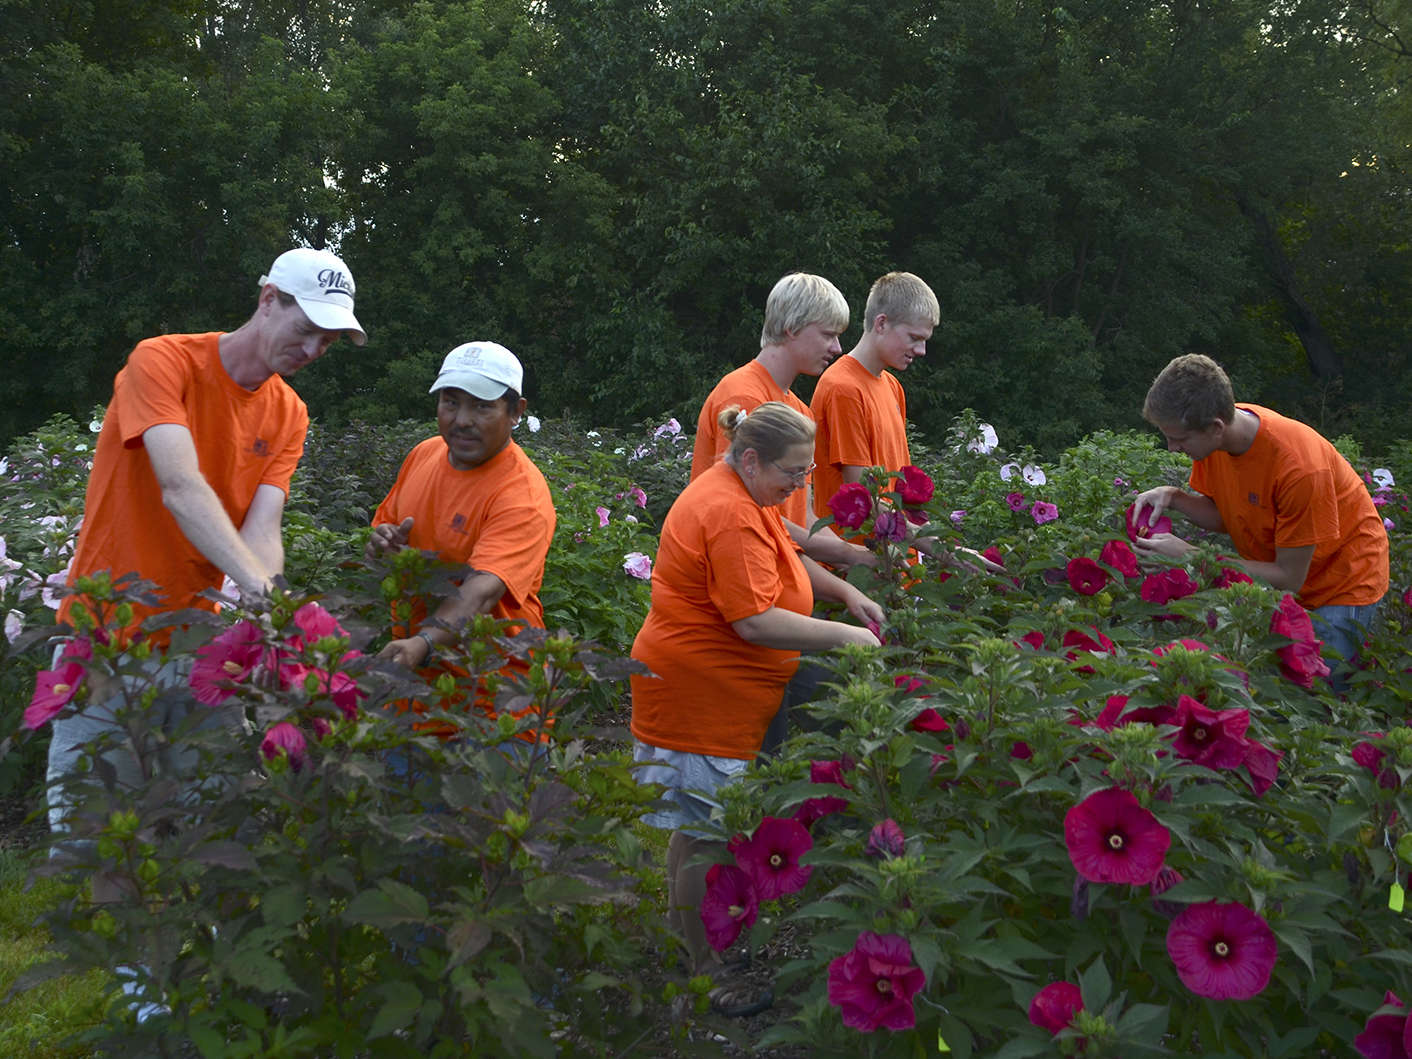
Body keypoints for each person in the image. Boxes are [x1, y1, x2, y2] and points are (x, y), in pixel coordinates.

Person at [45, 246, 365, 1015]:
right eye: (308, 327)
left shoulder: (288, 411)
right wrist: (263, 598)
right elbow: (181, 487)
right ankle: (139, 990)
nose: (315, 349)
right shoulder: (163, 363)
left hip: (200, 648)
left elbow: (265, 526)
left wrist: (267, 603)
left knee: (212, 816)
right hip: (108, 637)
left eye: (331, 338)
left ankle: (218, 970)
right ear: (266, 299)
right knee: (106, 824)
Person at [632, 402, 883, 1013]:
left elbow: (784, 558)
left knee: (698, 831)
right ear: (749, 458)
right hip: (700, 693)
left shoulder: (744, 495)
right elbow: (753, 621)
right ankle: (708, 969)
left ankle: (684, 931)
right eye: (793, 474)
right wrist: (849, 638)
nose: (801, 485)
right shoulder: (726, 510)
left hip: (714, 690)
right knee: (704, 837)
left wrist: (845, 590)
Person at [1132, 353, 1388, 680]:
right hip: (1292, 575)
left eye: (1179, 439)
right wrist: (1174, 497)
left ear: (1215, 427)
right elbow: (1230, 516)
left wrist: (1192, 556)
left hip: (1340, 582)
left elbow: (1289, 577)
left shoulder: (1299, 469)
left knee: (1319, 694)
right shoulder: (1216, 440)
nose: (1171, 448)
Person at [366, 342, 555, 734]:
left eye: (482, 406)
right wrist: (384, 546)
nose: (462, 420)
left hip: (493, 705)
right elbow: (384, 535)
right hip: (413, 693)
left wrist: (421, 644)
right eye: (451, 402)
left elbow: (482, 590)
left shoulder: (522, 494)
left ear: (516, 412)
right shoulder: (424, 454)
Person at [690, 272, 870, 568]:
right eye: (828, 334)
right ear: (791, 327)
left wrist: (856, 563)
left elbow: (803, 515)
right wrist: (848, 555)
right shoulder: (744, 397)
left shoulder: (799, 410)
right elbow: (744, 516)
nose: (837, 348)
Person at [810, 271, 939, 517]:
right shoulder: (843, 389)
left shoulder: (892, 386)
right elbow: (862, 493)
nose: (921, 350)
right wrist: (932, 544)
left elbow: (901, 483)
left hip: (895, 551)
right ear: (881, 324)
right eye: (914, 338)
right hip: (859, 552)